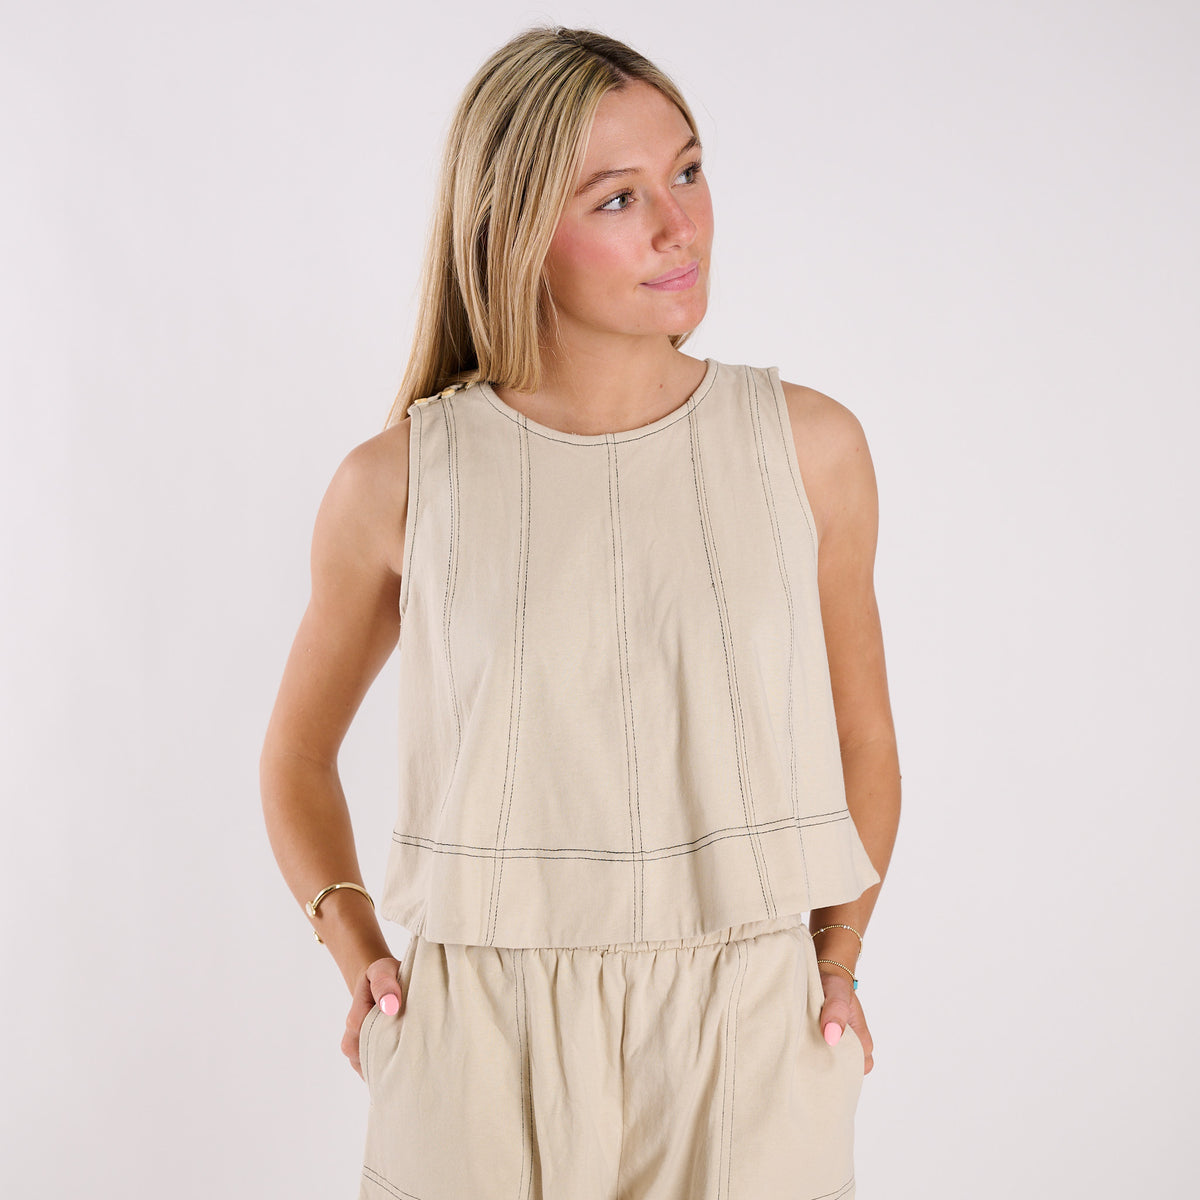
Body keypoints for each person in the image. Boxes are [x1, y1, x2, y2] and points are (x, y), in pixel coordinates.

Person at [260, 24, 901, 1200]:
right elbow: (297, 755)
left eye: (690, 173)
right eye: (619, 198)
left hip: (754, 1030)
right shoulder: (397, 483)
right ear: (511, 230)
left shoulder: (809, 449)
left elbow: (864, 738)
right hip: (476, 1038)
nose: (680, 225)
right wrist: (359, 954)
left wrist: (838, 960)